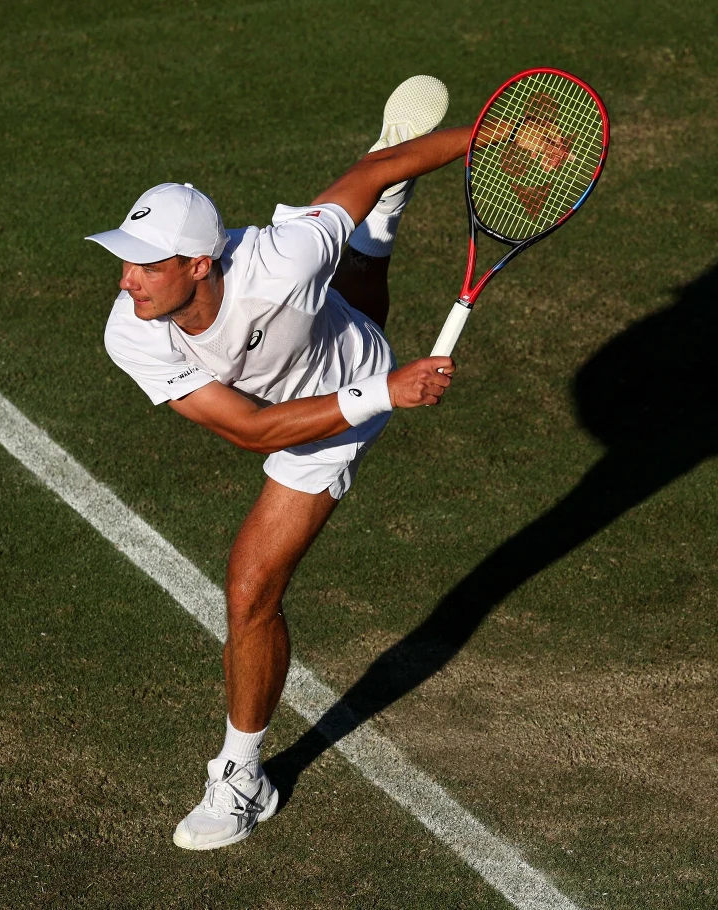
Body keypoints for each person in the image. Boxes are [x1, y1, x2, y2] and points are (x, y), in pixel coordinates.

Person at [86, 76, 468, 850]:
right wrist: (384, 389)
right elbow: (255, 430)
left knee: (251, 589)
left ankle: (240, 777)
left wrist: (494, 140)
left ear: (200, 263)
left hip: (338, 395)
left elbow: (367, 170)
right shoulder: (132, 332)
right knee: (351, 289)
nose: (125, 280)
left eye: (145, 265)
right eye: (125, 260)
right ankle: (378, 233)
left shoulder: (276, 260)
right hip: (311, 392)